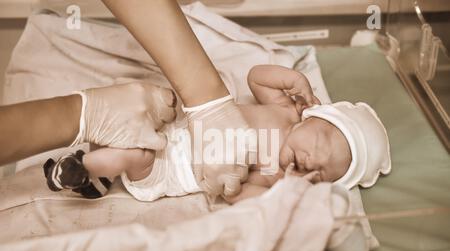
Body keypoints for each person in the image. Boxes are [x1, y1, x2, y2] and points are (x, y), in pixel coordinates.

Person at [0, 0, 250, 198]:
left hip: (173, 158)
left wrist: (205, 97)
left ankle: (83, 167)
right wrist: (83, 115)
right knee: (131, 153)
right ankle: (83, 168)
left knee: (131, 154)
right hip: (172, 147)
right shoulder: (285, 111)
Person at [43, 65, 391, 204]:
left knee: (136, 156)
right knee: (138, 101)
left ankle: (79, 168)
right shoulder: (285, 110)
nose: (314, 160)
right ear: (313, 116)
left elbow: (236, 198)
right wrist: (292, 79)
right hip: (174, 123)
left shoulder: (276, 177)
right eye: (323, 143)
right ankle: (94, 170)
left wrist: (283, 193)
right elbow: (257, 77)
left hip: (171, 169)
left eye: (324, 172)